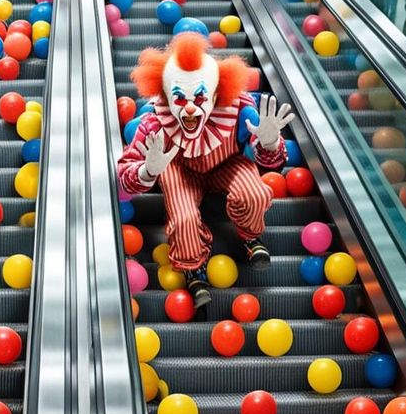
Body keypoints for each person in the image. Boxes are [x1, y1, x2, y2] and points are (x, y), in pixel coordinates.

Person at [117, 32, 292, 309]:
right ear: (165, 95)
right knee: (183, 218)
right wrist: (147, 171)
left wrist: (269, 143)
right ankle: (193, 267)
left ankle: (250, 236)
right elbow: (123, 176)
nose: (189, 108)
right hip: (179, 169)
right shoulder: (154, 122)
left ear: (216, 94)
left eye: (199, 97)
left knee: (254, 193)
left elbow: (270, 161)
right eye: (179, 98)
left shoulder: (239, 110)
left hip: (228, 163)